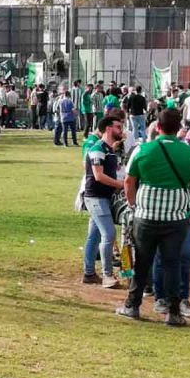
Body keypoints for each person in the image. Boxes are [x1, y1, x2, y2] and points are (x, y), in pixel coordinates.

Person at [116, 109, 190, 326]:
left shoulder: (143, 149)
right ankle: (173, 312)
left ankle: (132, 305)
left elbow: (129, 181)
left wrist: (133, 204)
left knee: (142, 262)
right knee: (172, 263)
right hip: (176, 216)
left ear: (158, 127)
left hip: (146, 215)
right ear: (179, 128)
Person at [82, 116, 124, 289]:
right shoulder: (98, 148)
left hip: (103, 198)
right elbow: (98, 176)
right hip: (96, 198)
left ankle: (89, 273)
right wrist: (120, 185)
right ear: (108, 128)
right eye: (118, 127)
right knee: (109, 234)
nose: (121, 130)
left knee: (94, 236)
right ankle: (107, 275)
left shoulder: (110, 150)